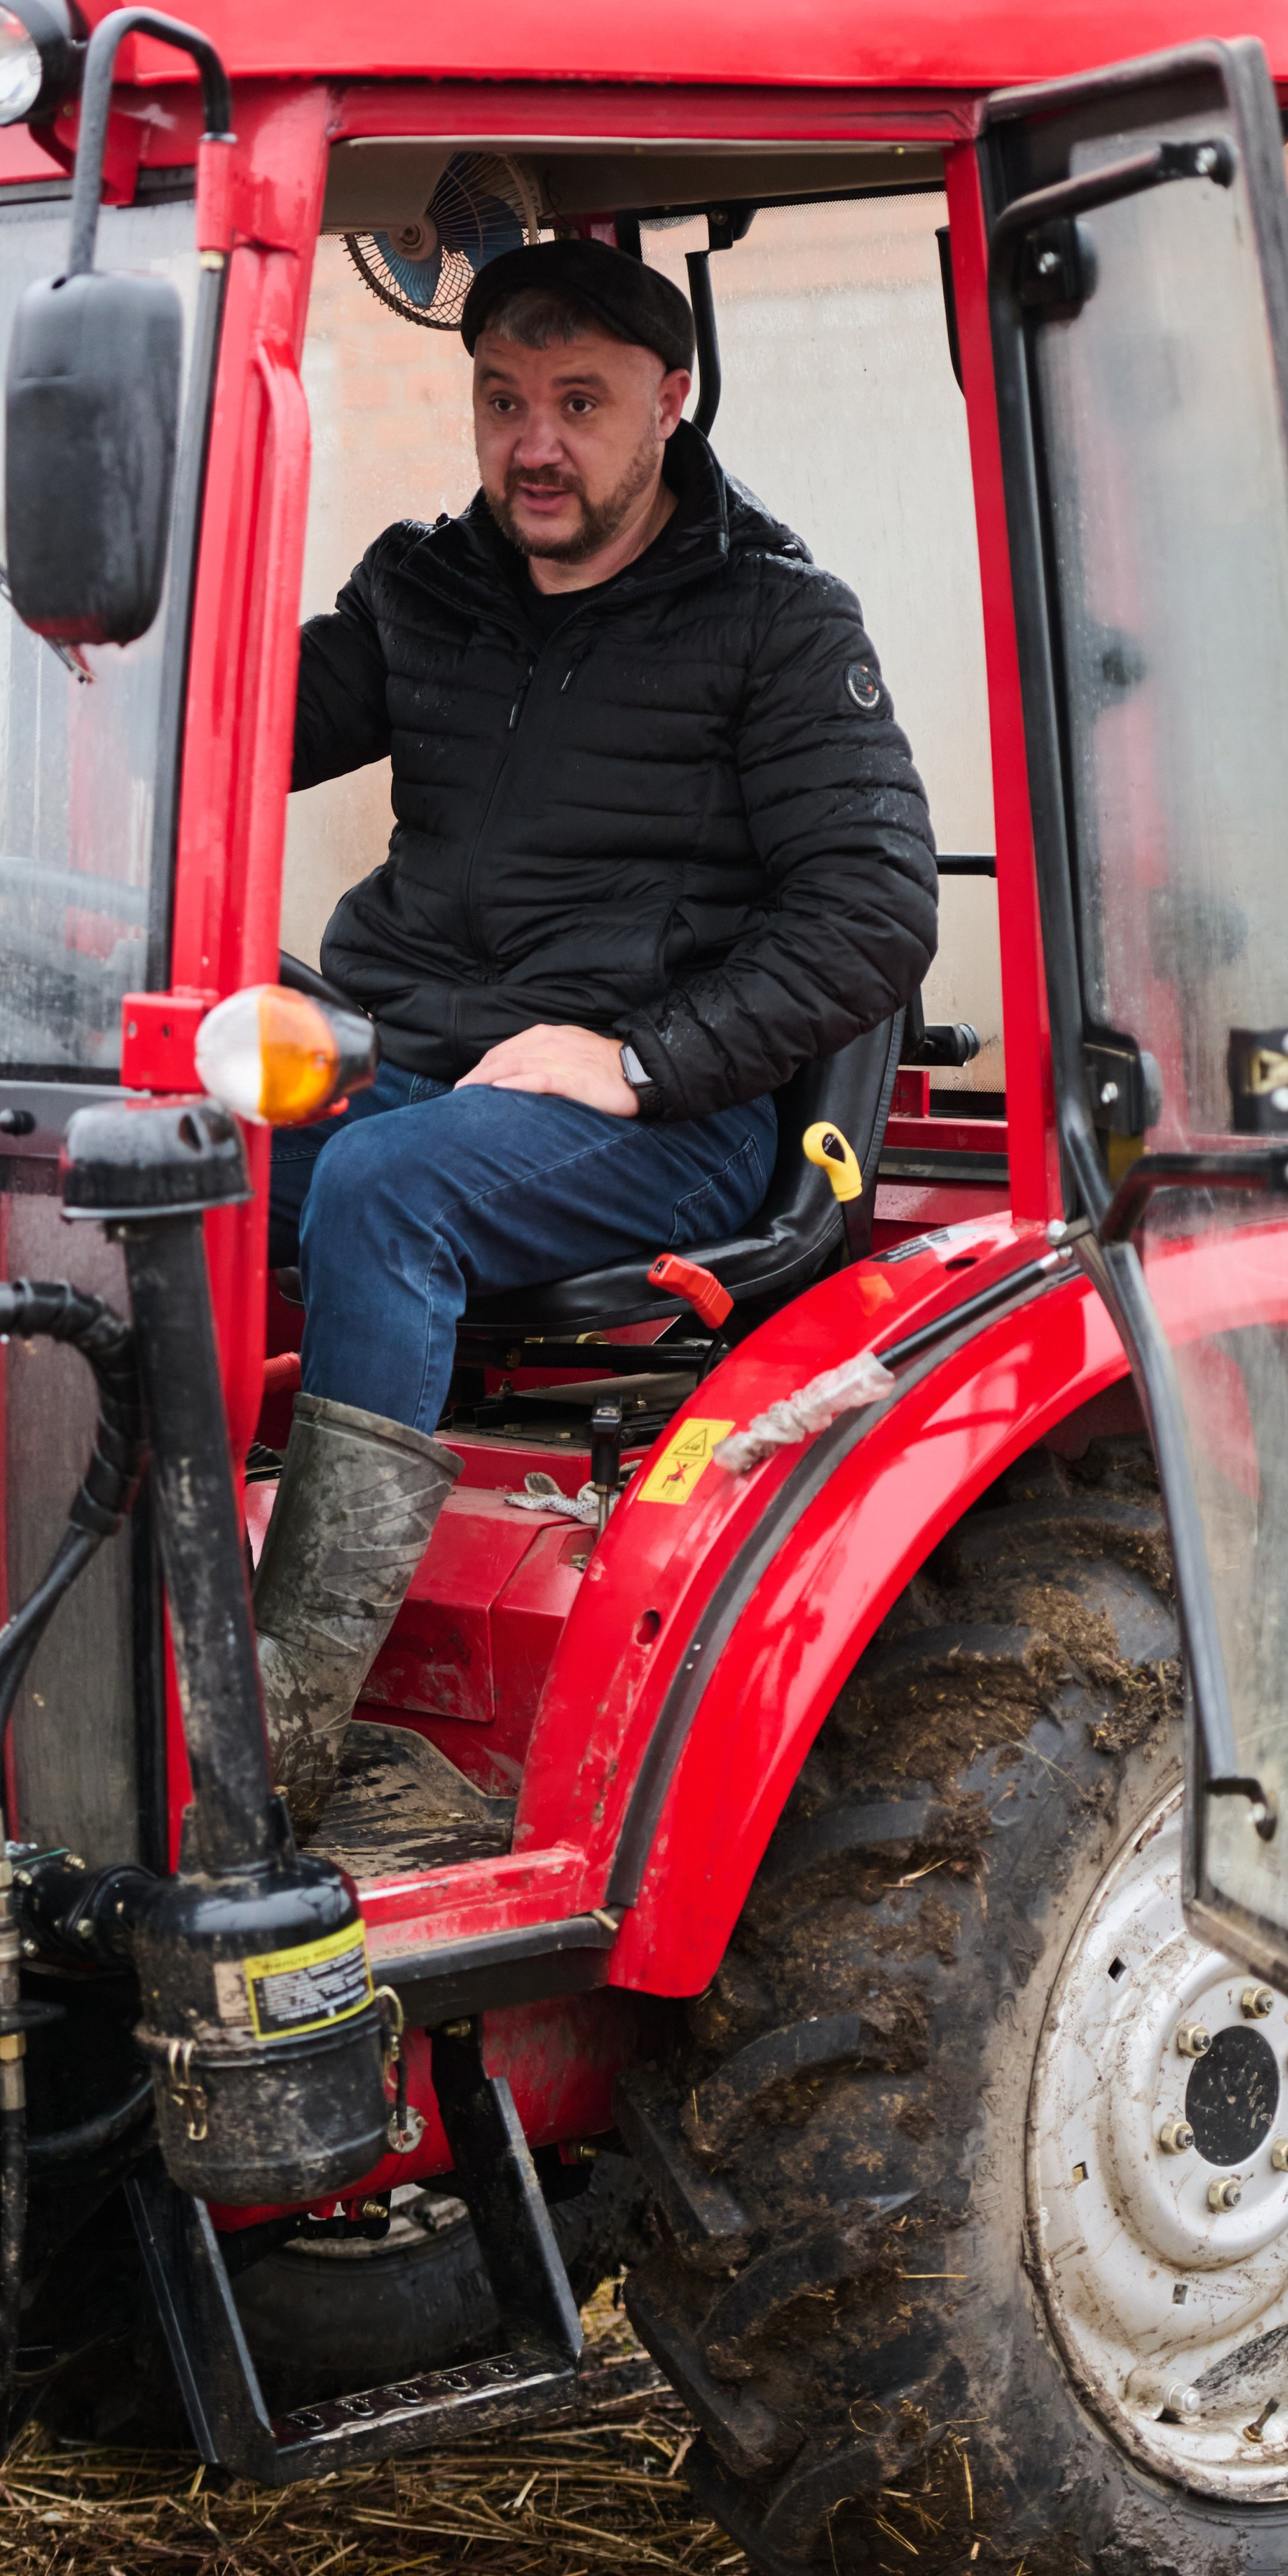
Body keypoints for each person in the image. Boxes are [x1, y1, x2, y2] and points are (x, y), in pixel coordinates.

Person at [250, 236, 937, 1830]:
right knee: (125, 1150)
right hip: (412, 1060)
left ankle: (281, 1733)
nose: (531, 443)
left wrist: (630, 1061)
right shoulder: (429, 589)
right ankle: (99, 1630)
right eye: (500, 401)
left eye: (575, 401)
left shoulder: (771, 623)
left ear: (669, 402)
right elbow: (238, 728)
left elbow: (871, 917)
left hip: (655, 1124)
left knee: (386, 1192)